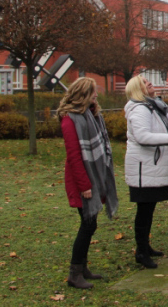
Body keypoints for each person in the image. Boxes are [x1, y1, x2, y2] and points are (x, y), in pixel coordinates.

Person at [58, 77, 118, 289]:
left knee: (90, 224)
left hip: (94, 178)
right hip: (82, 181)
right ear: (83, 94)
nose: (96, 95)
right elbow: (74, 156)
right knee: (88, 225)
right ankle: (75, 273)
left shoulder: (92, 116)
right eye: (93, 91)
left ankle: (82, 268)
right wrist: (84, 186)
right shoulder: (70, 120)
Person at [123, 76, 168, 269]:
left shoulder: (153, 106)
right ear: (137, 89)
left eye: (148, 80)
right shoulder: (140, 109)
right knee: (144, 210)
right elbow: (142, 136)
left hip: (151, 167)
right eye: (143, 82)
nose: (148, 83)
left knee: (148, 210)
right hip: (144, 168)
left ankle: (145, 246)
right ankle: (141, 251)